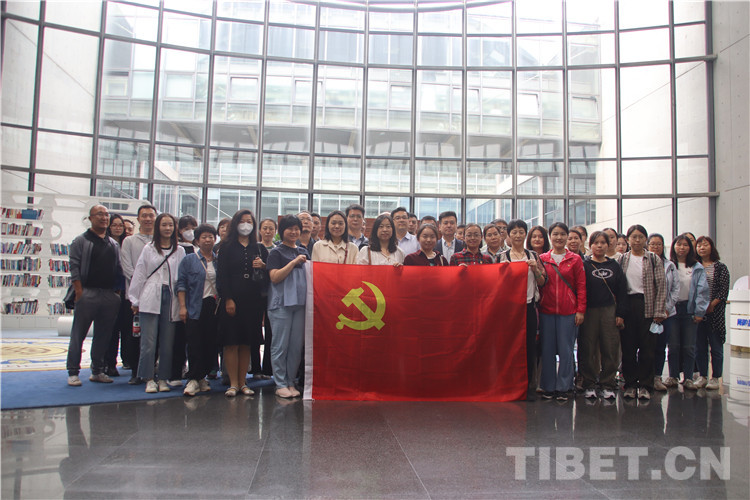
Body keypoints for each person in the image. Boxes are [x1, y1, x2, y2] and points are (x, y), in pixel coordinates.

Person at [128, 213, 185, 393]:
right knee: (148, 342)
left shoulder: (180, 250)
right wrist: (135, 299)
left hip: (171, 296)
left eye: (170, 225)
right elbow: (139, 273)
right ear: (158, 227)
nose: (167, 228)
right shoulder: (149, 248)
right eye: (164, 225)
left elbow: (181, 277)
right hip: (150, 295)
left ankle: (163, 378)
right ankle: (148, 378)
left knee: (167, 343)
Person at [66, 205, 123, 387]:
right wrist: (79, 291)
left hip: (109, 295)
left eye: (106, 214)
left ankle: (97, 370)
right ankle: (73, 372)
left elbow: (118, 268)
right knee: (78, 334)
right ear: (90, 218)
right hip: (87, 292)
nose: (104, 218)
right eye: (99, 214)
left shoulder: (113, 244)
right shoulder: (80, 241)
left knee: (103, 335)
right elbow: (74, 267)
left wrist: (116, 292)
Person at [216, 209, 268, 397]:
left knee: (247, 342)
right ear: (236, 223)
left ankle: (243, 382)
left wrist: (263, 266)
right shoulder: (227, 246)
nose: (246, 225)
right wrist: (228, 298)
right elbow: (222, 275)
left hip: (253, 300)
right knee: (232, 342)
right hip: (232, 298)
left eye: (249, 221)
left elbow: (268, 273)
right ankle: (233, 383)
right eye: (242, 221)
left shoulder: (258, 247)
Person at [616, 225, 667, 400]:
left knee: (647, 349)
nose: (637, 240)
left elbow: (661, 286)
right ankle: (630, 384)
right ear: (628, 239)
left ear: (645, 239)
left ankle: (646, 385)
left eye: (640, 237)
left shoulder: (653, 259)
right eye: (633, 237)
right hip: (628, 305)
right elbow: (618, 287)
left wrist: (659, 311)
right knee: (628, 348)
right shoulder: (623, 259)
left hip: (648, 306)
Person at [498, 219, 547, 400]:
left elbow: (543, 281)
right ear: (508, 235)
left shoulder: (532, 255)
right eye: (514, 232)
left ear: (525, 234)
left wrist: (535, 270)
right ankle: (508, 384)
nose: (518, 235)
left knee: (529, 347)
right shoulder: (502, 257)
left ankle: (528, 386)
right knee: (509, 347)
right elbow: (495, 284)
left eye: (521, 232)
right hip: (509, 310)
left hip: (528, 306)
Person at [537, 222, 586, 401]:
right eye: (555, 234)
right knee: (547, 350)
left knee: (566, 350)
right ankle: (548, 386)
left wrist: (580, 310)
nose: (559, 237)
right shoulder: (542, 258)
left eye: (562, 234)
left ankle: (564, 387)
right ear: (550, 236)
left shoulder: (575, 259)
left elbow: (581, 286)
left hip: (568, 312)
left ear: (567, 237)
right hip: (546, 311)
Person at [579, 231, 628, 400]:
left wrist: (621, 313)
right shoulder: (584, 265)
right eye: (596, 243)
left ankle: (608, 383)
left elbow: (622, 291)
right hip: (589, 312)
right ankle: (589, 384)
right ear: (590, 245)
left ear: (608, 245)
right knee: (588, 348)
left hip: (609, 311)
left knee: (610, 347)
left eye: (603, 242)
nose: (599, 246)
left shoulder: (615, 265)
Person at [267, 215, 309, 398]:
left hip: (300, 304)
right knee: (280, 345)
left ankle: (291, 381)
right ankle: (280, 383)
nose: (294, 232)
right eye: (289, 228)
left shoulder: (304, 251)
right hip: (280, 304)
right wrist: (293, 262)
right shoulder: (275, 252)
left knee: (295, 346)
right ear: (281, 231)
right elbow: (274, 277)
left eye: (296, 228)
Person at [177, 224, 219, 396]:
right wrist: (182, 307)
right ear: (197, 240)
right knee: (195, 344)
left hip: (213, 307)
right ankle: (193, 379)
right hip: (195, 306)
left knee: (210, 344)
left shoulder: (218, 261)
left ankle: (202, 377)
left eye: (211, 237)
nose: (208, 240)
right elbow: (181, 284)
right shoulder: (189, 260)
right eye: (204, 237)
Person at [120, 204, 157, 384]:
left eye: (151, 215)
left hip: (155, 296)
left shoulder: (160, 241)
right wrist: (141, 285)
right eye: (144, 216)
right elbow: (127, 267)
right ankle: (135, 371)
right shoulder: (129, 241)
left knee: (154, 336)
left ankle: (152, 370)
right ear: (138, 219)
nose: (148, 219)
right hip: (135, 297)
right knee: (134, 335)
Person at [669, 234, 710, 390]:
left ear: (690, 248)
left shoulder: (696, 267)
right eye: (679, 244)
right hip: (672, 309)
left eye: (685, 245)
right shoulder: (669, 265)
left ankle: (688, 378)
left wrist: (700, 311)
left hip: (689, 309)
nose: (682, 247)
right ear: (674, 246)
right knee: (673, 346)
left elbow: (702, 290)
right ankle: (673, 376)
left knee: (689, 347)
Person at [694, 236, 730, 390]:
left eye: (705, 245)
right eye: (699, 246)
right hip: (697, 313)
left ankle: (715, 378)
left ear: (711, 247)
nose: (702, 248)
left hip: (714, 313)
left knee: (715, 346)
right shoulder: (694, 266)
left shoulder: (720, 267)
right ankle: (702, 376)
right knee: (699, 346)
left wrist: (711, 305)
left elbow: (723, 290)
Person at [647, 233, 680, 391]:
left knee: (660, 346)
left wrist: (666, 308)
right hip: (646, 312)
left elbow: (675, 289)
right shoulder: (643, 263)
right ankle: (644, 376)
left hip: (666, 313)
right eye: (652, 244)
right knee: (646, 346)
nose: (655, 247)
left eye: (659, 244)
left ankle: (657, 377)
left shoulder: (670, 265)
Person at [171, 214, 199, 386]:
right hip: (181, 298)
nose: (190, 232)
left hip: (196, 299)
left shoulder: (197, 248)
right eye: (186, 228)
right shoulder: (178, 249)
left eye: (193, 228)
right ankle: (176, 370)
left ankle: (195, 372)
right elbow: (180, 278)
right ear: (180, 230)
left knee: (194, 339)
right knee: (179, 336)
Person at [104, 214, 127, 376]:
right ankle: (107, 362)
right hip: (109, 291)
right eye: (114, 225)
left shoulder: (127, 243)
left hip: (125, 291)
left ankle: (125, 360)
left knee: (123, 328)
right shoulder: (105, 244)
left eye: (120, 225)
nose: (118, 228)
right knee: (109, 330)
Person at [258, 217, 279, 379]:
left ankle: (268, 369)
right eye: (265, 228)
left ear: (275, 231)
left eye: (271, 228)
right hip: (256, 294)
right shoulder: (255, 248)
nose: (268, 231)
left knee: (272, 332)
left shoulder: (278, 249)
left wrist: (265, 266)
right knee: (256, 330)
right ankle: (254, 368)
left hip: (274, 294)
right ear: (260, 230)